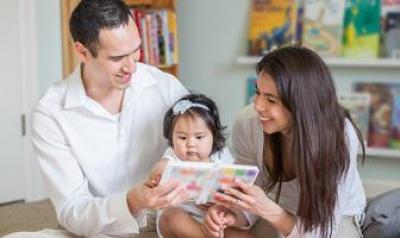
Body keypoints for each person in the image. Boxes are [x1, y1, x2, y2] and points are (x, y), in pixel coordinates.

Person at [30, 0, 189, 237]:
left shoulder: (164, 86)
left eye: (136, 52)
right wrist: (133, 201)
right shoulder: (51, 112)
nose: (132, 68)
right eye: (117, 58)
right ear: (82, 52)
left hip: (170, 221)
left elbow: (207, 136)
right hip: (100, 230)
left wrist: (171, 157)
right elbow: (73, 209)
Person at [202, 46, 367, 238]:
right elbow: (249, 188)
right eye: (258, 93)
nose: (258, 106)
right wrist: (231, 214)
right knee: (224, 232)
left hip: (331, 220)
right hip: (276, 205)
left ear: (302, 103)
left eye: (271, 99)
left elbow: (323, 231)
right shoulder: (248, 122)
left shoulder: (339, 137)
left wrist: (268, 210)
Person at [144, 93, 251, 237]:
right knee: (171, 216)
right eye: (182, 137)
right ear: (171, 138)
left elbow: (233, 183)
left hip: (210, 216)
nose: (191, 144)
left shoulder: (221, 155)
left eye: (199, 137)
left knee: (242, 234)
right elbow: (161, 168)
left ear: (214, 136)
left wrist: (217, 203)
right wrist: (159, 171)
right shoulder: (173, 155)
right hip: (181, 217)